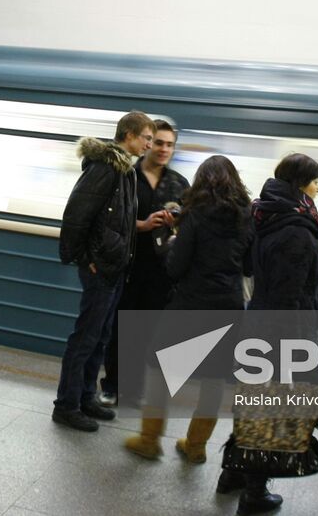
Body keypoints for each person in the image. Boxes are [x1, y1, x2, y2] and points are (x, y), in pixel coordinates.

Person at [217, 152, 318, 515]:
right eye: (315, 182)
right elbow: (290, 295)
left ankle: (233, 473)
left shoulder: (264, 214)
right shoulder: (297, 229)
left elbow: (249, 266)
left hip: (259, 320)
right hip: (283, 329)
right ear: (300, 185)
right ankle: (254, 493)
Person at [124, 154, 249, 463]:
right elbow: (249, 265)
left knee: (158, 367)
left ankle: (149, 440)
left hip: (191, 304)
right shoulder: (246, 216)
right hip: (228, 305)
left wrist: (171, 240)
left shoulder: (196, 213)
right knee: (214, 378)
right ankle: (196, 445)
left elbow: (176, 267)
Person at [52, 111, 154, 432]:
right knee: (86, 337)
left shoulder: (125, 170)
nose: (149, 145)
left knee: (100, 337)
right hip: (100, 268)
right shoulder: (105, 169)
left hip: (114, 268)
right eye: (146, 138)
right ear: (129, 135)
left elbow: (118, 221)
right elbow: (76, 215)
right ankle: (66, 405)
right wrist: (85, 257)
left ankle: (86, 397)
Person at [101, 118, 189, 406]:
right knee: (120, 328)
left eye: (169, 145)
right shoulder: (127, 175)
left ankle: (134, 388)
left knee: (147, 331)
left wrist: (176, 224)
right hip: (128, 264)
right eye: (158, 142)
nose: (163, 149)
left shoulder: (179, 184)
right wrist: (144, 224)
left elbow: (189, 226)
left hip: (162, 271)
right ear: (148, 143)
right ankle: (111, 386)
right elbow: (111, 221)